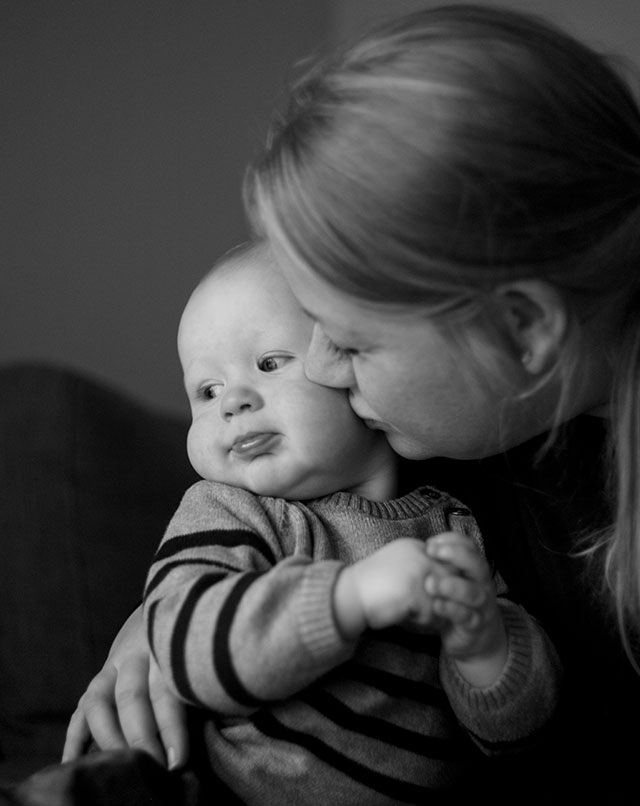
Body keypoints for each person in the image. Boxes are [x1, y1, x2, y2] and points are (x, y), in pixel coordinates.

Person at [62, 2, 640, 800]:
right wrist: (155, 630)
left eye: (352, 340)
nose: (323, 370)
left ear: (521, 325)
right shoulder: (462, 443)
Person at [141, 240, 560, 804]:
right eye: (206, 390)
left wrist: (483, 647)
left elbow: (517, 736)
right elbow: (187, 654)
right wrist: (348, 598)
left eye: (268, 364)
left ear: (346, 365)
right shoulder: (228, 508)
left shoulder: (452, 527)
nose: (232, 402)